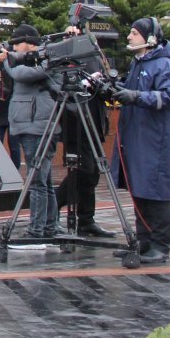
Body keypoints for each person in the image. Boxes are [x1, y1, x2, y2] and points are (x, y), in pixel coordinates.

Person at [110, 17, 170, 265]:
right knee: (139, 189)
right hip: (137, 138)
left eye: (134, 33)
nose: (129, 37)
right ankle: (143, 242)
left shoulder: (164, 66)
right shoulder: (138, 64)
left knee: (157, 192)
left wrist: (135, 96)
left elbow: (168, 98)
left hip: (155, 140)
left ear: (150, 39)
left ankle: (160, 246)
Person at [51, 25, 114, 239]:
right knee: (83, 170)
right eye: (74, 32)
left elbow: (104, 79)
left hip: (94, 121)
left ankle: (86, 220)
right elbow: (59, 84)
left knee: (93, 173)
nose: (79, 35)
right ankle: (55, 204)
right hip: (75, 123)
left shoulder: (94, 53)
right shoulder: (63, 52)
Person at [4, 24, 60, 246]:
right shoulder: (30, 58)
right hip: (32, 124)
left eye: (17, 43)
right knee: (43, 180)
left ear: (29, 42)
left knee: (36, 181)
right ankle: (49, 226)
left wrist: (7, 61)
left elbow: (26, 74)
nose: (14, 47)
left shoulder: (45, 57)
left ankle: (37, 231)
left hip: (37, 125)